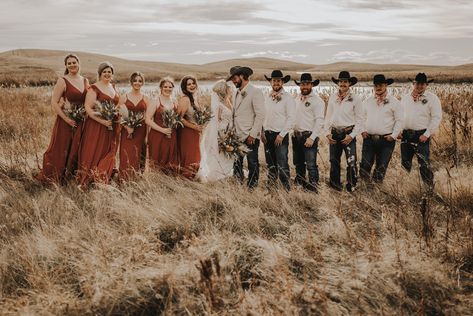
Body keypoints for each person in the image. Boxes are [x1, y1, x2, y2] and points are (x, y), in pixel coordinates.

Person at [36, 53, 89, 184]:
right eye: (69, 63)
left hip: (81, 121)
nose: (72, 65)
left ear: (78, 63)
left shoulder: (85, 80)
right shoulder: (62, 80)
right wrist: (66, 119)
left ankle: (71, 176)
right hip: (66, 121)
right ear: (66, 66)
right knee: (61, 148)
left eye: (74, 62)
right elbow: (54, 102)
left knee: (77, 148)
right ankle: (54, 176)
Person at [76, 61, 120, 187]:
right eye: (105, 72)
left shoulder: (113, 87)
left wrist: (116, 113)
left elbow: (116, 105)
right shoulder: (94, 88)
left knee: (109, 150)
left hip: (111, 125)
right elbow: (88, 109)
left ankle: (104, 174)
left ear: (112, 74)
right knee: (95, 150)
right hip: (97, 126)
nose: (107, 74)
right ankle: (91, 177)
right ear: (100, 73)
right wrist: (102, 121)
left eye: (109, 72)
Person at [400, 73, 442, 187]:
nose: (419, 86)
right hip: (406, 135)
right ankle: (405, 188)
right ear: (414, 84)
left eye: (422, 84)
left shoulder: (432, 99)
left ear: (426, 85)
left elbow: (436, 117)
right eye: (417, 83)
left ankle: (429, 189)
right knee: (405, 164)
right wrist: (399, 130)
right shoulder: (406, 98)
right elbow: (400, 115)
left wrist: (427, 134)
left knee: (424, 165)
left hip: (422, 135)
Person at [226, 66, 265, 189]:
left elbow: (260, 115)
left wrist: (253, 134)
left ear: (242, 76)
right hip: (236, 134)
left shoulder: (256, 92)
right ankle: (238, 183)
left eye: (235, 78)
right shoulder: (235, 92)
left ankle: (252, 186)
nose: (233, 81)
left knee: (252, 162)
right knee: (237, 162)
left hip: (250, 135)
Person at [360, 74, 403, 184]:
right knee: (365, 165)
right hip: (369, 139)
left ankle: (376, 190)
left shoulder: (394, 102)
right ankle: (364, 188)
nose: (378, 88)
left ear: (386, 85)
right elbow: (361, 117)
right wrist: (363, 130)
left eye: (381, 85)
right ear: (373, 87)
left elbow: (400, 120)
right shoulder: (367, 101)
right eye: (376, 85)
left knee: (381, 166)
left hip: (386, 140)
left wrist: (393, 136)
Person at [325, 71, 364, 192]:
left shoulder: (355, 99)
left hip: (348, 133)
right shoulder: (332, 97)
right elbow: (328, 116)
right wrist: (327, 132)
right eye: (341, 81)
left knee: (351, 161)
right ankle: (335, 185)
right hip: (334, 132)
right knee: (334, 160)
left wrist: (352, 136)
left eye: (345, 81)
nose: (343, 84)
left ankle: (351, 186)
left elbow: (360, 120)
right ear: (338, 83)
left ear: (349, 83)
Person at [262, 70, 295, 190]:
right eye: (274, 80)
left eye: (278, 81)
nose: (276, 83)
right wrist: (262, 131)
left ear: (282, 82)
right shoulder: (267, 97)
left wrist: (281, 135)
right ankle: (271, 187)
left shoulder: (288, 98)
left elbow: (291, 118)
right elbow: (263, 115)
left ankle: (286, 188)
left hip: (280, 135)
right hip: (267, 134)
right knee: (270, 163)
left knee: (282, 163)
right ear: (271, 82)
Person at [197, 79, 234, 181]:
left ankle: (225, 171)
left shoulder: (227, 102)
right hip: (222, 132)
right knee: (220, 153)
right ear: (224, 90)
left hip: (228, 131)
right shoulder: (219, 106)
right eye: (229, 89)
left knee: (226, 154)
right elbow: (216, 122)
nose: (231, 90)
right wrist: (222, 136)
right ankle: (219, 173)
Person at [292, 73, 324, 192]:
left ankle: (313, 186)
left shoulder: (317, 101)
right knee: (298, 162)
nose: (304, 86)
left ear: (311, 85)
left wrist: (312, 137)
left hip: (308, 135)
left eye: (307, 84)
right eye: (302, 84)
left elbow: (320, 121)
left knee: (311, 164)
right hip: (296, 135)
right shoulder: (296, 98)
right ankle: (300, 182)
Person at [118, 72, 149, 180]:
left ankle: (138, 178)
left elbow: (147, 117)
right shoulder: (123, 97)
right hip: (127, 131)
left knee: (139, 152)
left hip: (141, 131)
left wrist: (148, 134)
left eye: (140, 81)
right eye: (135, 80)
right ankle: (124, 178)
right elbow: (119, 116)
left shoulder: (146, 98)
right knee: (127, 153)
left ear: (143, 83)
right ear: (131, 82)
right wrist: (127, 127)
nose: (137, 83)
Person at [146, 77, 179, 174]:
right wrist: (162, 130)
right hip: (157, 135)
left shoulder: (175, 101)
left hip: (171, 135)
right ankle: (156, 180)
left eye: (170, 87)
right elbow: (147, 119)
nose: (168, 89)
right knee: (157, 158)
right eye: (165, 87)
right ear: (161, 87)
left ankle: (169, 181)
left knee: (170, 158)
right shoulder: (156, 101)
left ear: (173, 88)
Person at [177, 75, 203, 179]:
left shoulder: (194, 99)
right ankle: (186, 178)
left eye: (193, 83)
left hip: (195, 132)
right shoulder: (185, 99)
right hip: (187, 133)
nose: (192, 86)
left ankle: (192, 178)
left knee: (196, 156)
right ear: (184, 87)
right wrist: (194, 127)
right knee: (190, 156)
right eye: (189, 84)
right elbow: (179, 118)